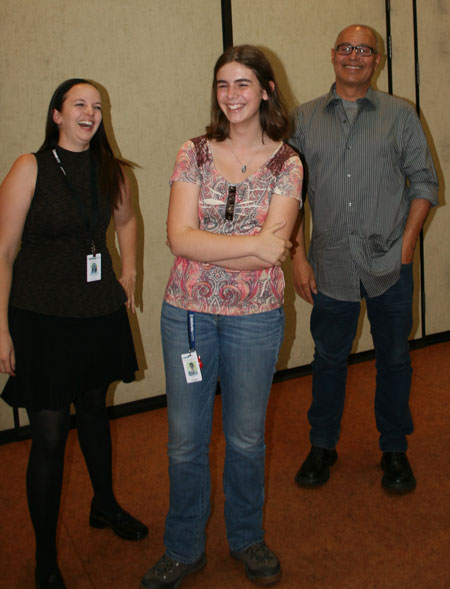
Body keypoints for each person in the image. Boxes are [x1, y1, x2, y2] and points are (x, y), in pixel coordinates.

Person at [140, 45, 302, 589]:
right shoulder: (194, 152)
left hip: (255, 318)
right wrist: (252, 244)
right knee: (185, 440)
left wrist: (240, 247)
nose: (231, 95)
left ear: (265, 90)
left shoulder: (288, 162)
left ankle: (247, 539)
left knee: (246, 440)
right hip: (186, 316)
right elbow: (176, 238)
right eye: (222, 85)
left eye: (242, 84)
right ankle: (183, 547)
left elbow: (274, 252)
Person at [0, 79, 148, 589]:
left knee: (95, 413)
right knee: (48, 435)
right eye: (79, 104)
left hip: (96, 312)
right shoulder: (30, 167)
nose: (90, 112)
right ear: (57, 114)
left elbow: (127, 221)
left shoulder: (111, 169)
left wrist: (127, 272)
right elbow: (2, 252)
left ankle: (104, 506)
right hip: (40, 318)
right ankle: (45, 557)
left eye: (97, 106)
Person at [290, 25, 439, 493]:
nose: (355, 56)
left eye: (365, 50)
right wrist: (297, 257)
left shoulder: (401, 114)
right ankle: (322, 444)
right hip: (329, 262)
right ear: (333, 54)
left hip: (390, 263)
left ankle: (394, 448)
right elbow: (288, 196)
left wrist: (409, 243)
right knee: (328, 358)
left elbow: (425, 183)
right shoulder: (304, 119)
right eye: (347, 48)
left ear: (377, 60)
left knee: (394, 358)